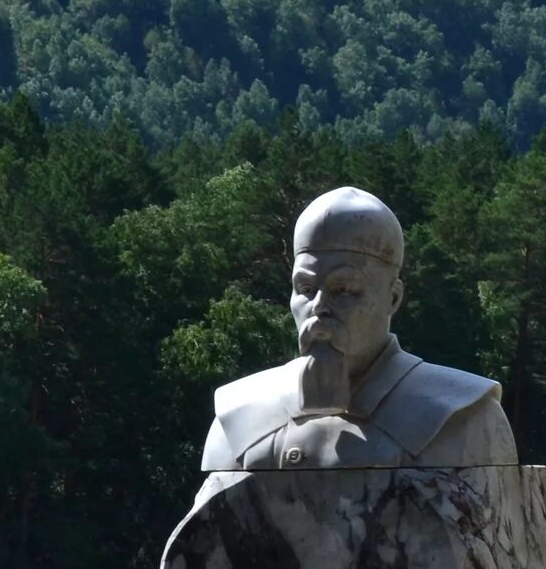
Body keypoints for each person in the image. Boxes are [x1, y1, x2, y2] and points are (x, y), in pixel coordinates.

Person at [199, 187, 514, 475]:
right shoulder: (239, 418)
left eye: (344, 290)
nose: (319, 306)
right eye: (306, 288)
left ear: (393, 297)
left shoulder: (462, 417)